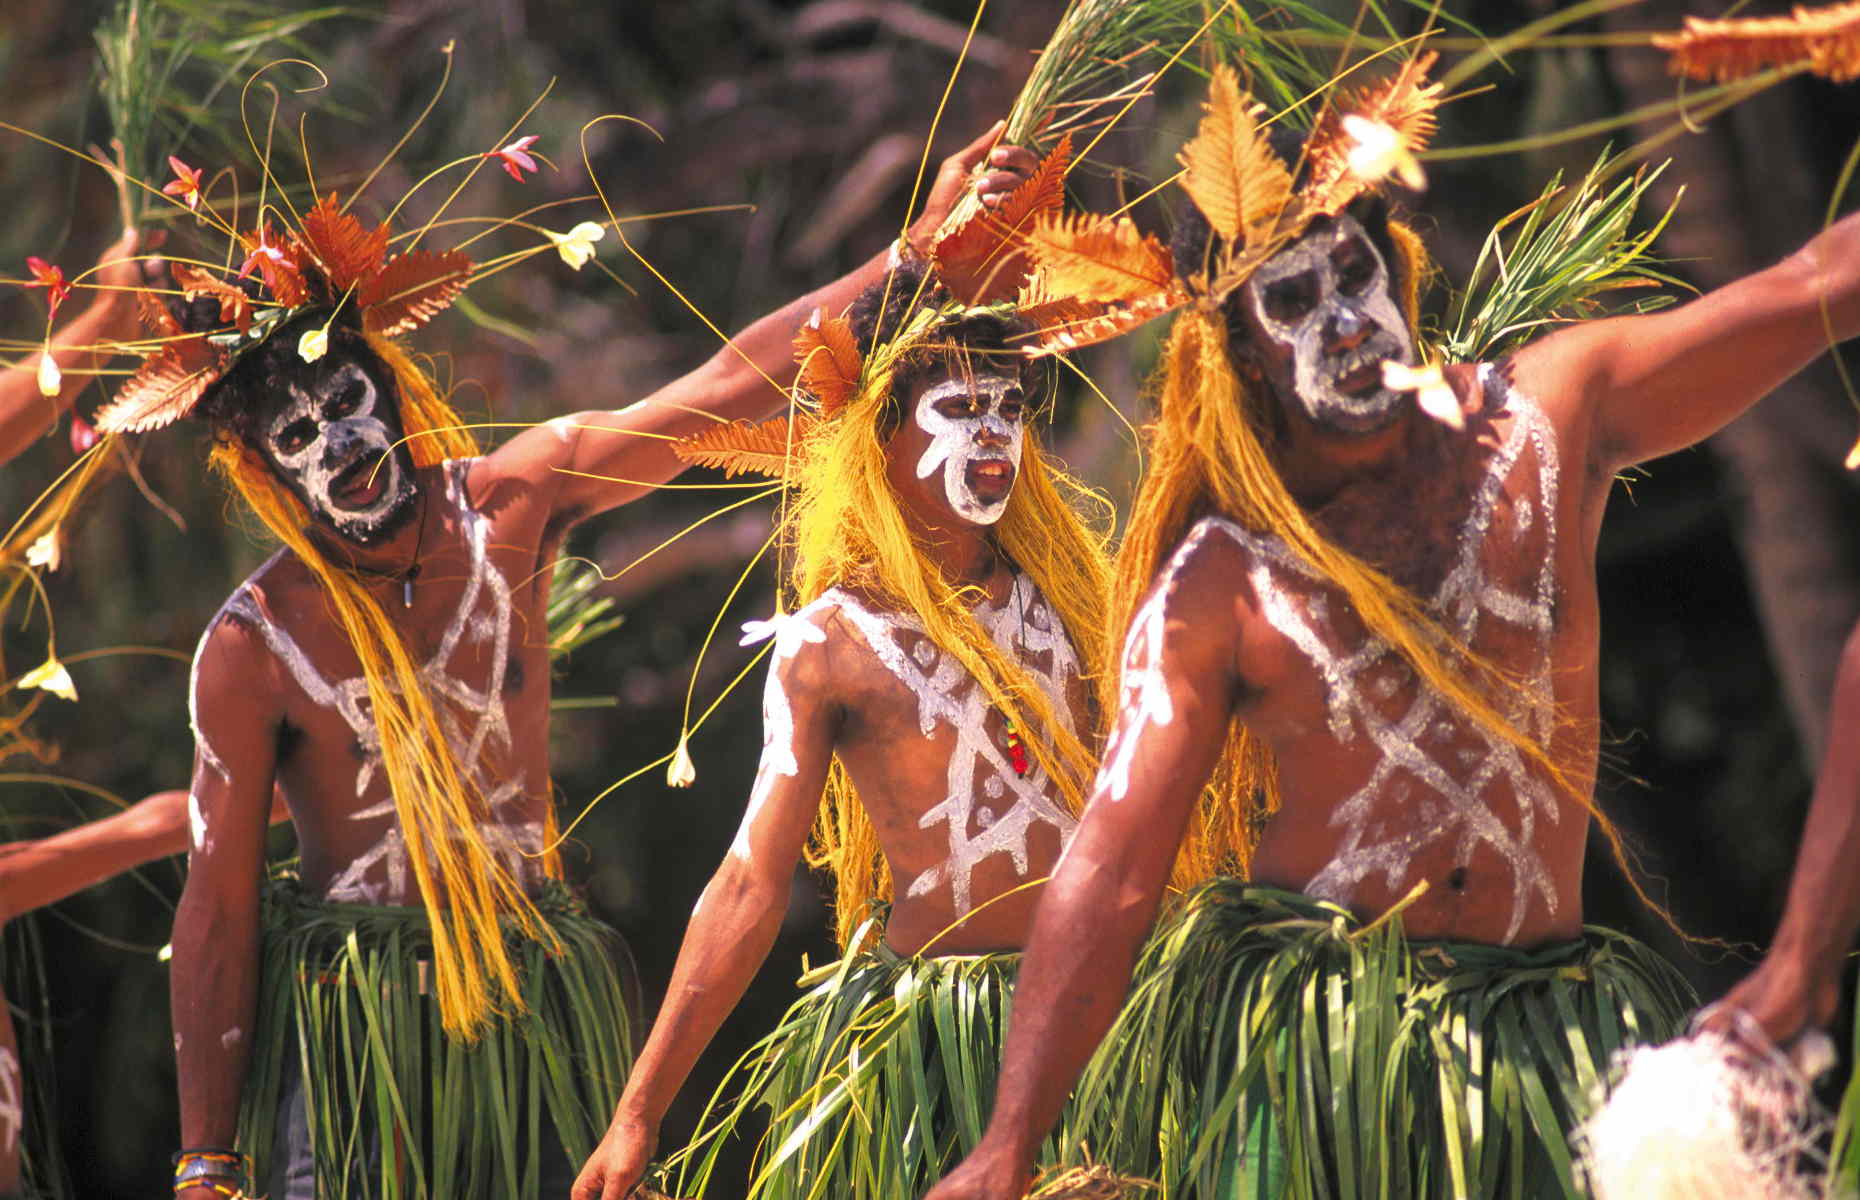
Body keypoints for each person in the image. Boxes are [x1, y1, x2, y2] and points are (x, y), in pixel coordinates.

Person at [923, 57, 1860, 1200]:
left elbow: (1810, 283)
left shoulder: (1554, 420)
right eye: (1293, 301)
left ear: (1398, 275)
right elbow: (1114, 867)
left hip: (1541, 1050)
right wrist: (1009, 1139)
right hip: (1316, 1074)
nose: (1344, 323)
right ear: (1239, 350)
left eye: (1353, 278)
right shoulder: (1224, 578)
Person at [109, 125, 1023, 1200]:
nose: (340, 447)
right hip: (354, 1036)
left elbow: (723, 386)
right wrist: (209, 1157)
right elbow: (217, 902)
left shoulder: (513, 504)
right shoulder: (256, 645)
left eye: (348, 405)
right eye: (299, 436)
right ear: (265, 471)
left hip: (533, 1004)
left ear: (392, 396)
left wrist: (914, 258)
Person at [571, 252, 1113, 1200]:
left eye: (1009, 408)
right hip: (947, 1048)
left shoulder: (1079, 603)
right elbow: (749, 881)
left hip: (1107, 1026)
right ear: (880, 434)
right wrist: (637, 1114)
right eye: (958, 408)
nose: (992, 433)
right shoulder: (831, 642)